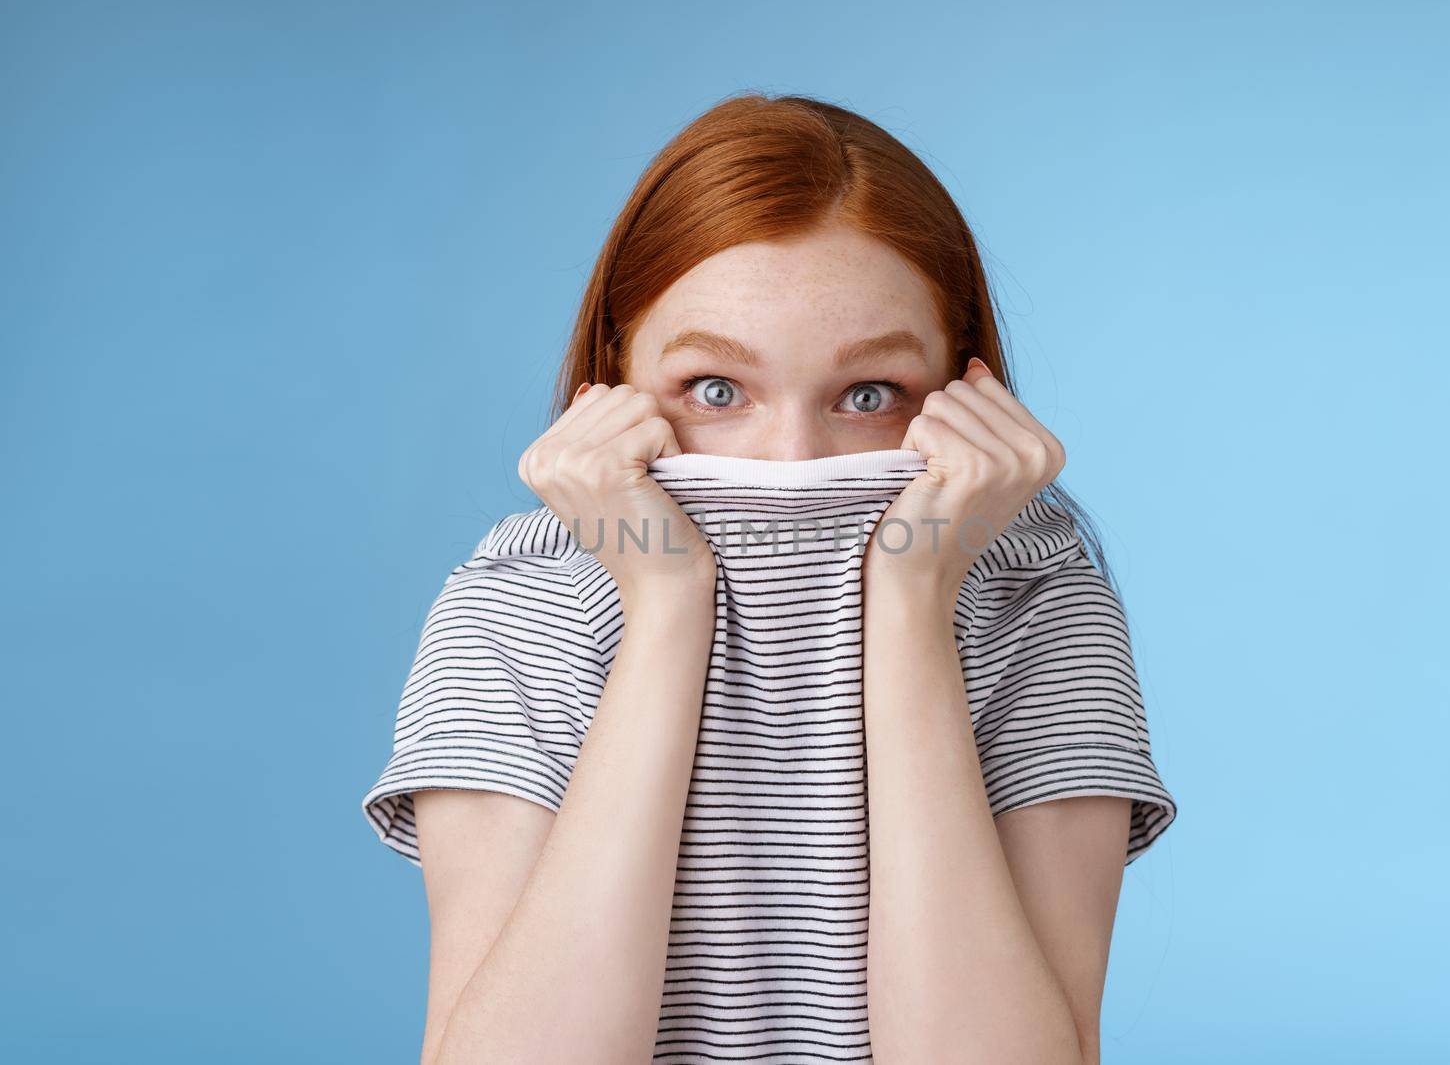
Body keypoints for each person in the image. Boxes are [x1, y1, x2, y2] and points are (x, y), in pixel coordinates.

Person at [362, 91, 1176, 1065]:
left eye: (867, 395)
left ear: (962, 393)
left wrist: (911, 608)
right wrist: (666, 609)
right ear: (616, 379)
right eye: (717, 391)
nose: (788, 462)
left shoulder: (1036, 606)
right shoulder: (514, 606)